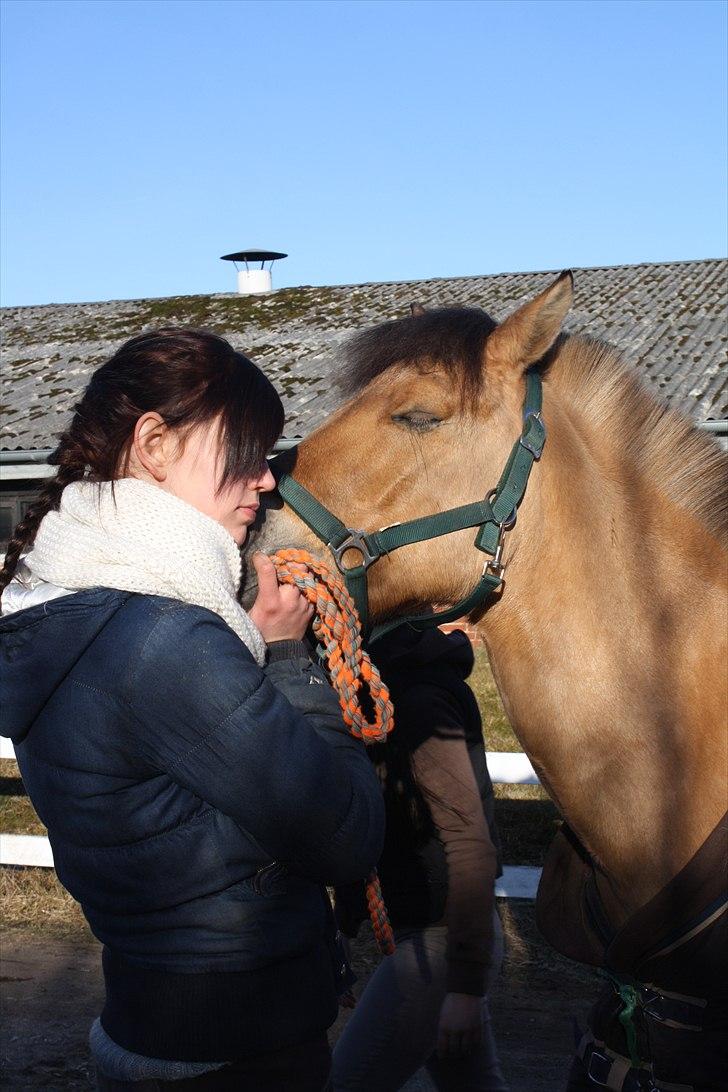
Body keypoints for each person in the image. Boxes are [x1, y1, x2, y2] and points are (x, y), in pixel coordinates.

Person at [0, 329, 384, 1092]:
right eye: (245, 451)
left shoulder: (70, 615)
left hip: (149, 1018)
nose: (265, 482)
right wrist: (286, 659)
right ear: (155, 444)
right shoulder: (166, 640)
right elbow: (347, 838)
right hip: (238, 1049)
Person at [332, 624, 508, 1092]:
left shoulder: (416, 702)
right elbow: (372, 816)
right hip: (433, 936)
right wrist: (344, 928)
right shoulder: (379, 691)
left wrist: (465, 987)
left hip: (441, 943)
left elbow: (470, 844)